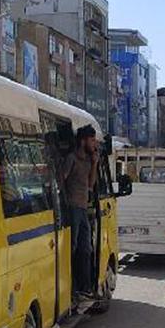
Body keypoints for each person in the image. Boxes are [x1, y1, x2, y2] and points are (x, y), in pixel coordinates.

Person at [63, 125, 98, 300]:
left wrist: (95, 164)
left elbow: (91, 184)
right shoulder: (71, 159)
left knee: (86, 249)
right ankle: (71, 287)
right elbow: (62, 179)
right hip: (72, 207)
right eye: (92, 140)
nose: (95, 143)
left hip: (83, 208)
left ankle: (84, 287)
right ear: (83, 141)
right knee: (73, 247)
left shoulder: (88, 161)